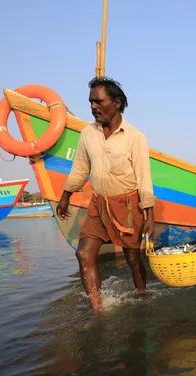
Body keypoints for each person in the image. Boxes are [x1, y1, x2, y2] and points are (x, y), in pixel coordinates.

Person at [56, 77, 155, 314]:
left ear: (117, 103)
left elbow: (144, 178)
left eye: (98, 101)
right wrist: (65, 196)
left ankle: (142, 297)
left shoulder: (135, 137)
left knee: (133, 260)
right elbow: (80, 168)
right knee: (83, 253)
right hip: (98, 205)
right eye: (91, 102)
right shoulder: (87, 134)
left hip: (128, 206)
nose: (93, 107)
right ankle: (98, 310)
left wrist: (149, 215)